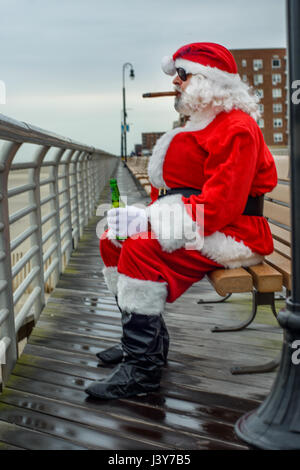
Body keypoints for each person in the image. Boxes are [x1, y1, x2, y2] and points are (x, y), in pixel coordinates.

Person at [85, 42, 277, 400]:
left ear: (209, 81)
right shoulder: (202, 122)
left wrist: (152, 225)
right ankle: (145, 347)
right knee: (111, 239)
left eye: (182, 75)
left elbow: (222, 205)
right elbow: (178, 188)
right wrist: (144, 216)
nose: (175, 82)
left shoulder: (236, 128)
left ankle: (142, 373)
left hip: (234, 233)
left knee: (140, 250)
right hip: (205, 222)